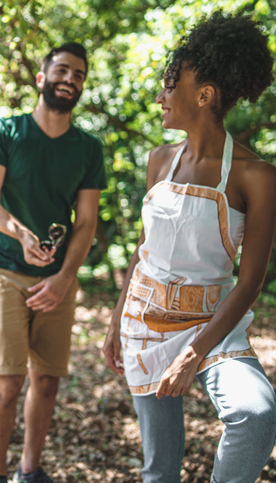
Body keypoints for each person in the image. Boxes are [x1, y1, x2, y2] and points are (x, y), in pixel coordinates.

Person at [102, 12, 276, 482]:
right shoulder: (160, 160)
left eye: (170, 84)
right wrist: (117, 318)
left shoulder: (255, 176)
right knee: (160, 471)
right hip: (144, 321)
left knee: (256, 416)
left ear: (205, 95)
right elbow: (143, 249)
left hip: (212, 321)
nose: (161, 95)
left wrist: (194, 352)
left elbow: (251, 280)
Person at [0, 43, 106, 483]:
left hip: (57, 278)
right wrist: (21, 233)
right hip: (5, 266)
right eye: (63, 70)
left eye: (80, 75)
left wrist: (65, 278)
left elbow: (86, 222)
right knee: (7, 382)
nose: (71, 79)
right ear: (41, 77)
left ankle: (30, 471)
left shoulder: (87, 148)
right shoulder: (4, 131)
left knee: (46, 381)